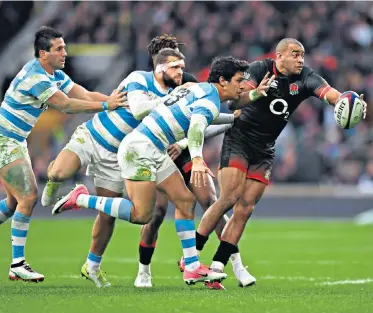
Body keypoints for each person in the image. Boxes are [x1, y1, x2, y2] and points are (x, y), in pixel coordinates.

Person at [52, 56, 250, 286]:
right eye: (239, 81)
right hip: (139, 150)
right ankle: (82, 198)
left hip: (153, 148)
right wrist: (196, 159)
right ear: (223, 81)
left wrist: (234, 116)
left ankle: (193, 267)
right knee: (142, 215)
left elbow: (206, 117)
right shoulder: (208, 99)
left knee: (186, 201)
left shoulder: (201, 90)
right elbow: (197, 127)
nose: (243, 86)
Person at [0, 26, 126, 282]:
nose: (64, 53)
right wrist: (105, 105)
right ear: (42, 53)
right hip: (0, 140)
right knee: (29, 196)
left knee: (15, 202)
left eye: (64, 48)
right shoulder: (36, 77)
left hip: (14, 141)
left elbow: (82, 94)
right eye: (59, 49)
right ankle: (17, 263)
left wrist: (116, 103)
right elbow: (66, 105)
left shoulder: (55, 74)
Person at [194, 38, 368, 281]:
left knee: (245, 209)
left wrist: (346, 101)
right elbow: (236, 101)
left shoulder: (306, 77)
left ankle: (217, 267)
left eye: (303, 55)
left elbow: (328, 92)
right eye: (295, 54)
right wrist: (256, 93)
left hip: (265, 148)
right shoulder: (259, 69)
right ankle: (191, 257)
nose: (300, 59)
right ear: (280, 56)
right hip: (240, 139)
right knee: (229, 198)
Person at [41, 48, 188, 286]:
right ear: (160, 68)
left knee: (107, 215)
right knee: (60, 172)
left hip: (116, 156)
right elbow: (140, 108)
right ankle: (52, 174)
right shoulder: (139, 78)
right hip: (93, 136)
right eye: (176, 67)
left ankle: (92, 266)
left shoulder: (173, 94)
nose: (181, 72)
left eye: (182, 67)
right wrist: (174, 99)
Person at [134, 35, 240, 290]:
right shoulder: (143, 86)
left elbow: (201, 124)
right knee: (157, 213)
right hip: (155, 151)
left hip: (183, 151)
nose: (176, 66)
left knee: (210, 201)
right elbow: (138, 117)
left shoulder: (191, 84)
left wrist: (184, 145)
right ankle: (144, 270)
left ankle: (230, 264)